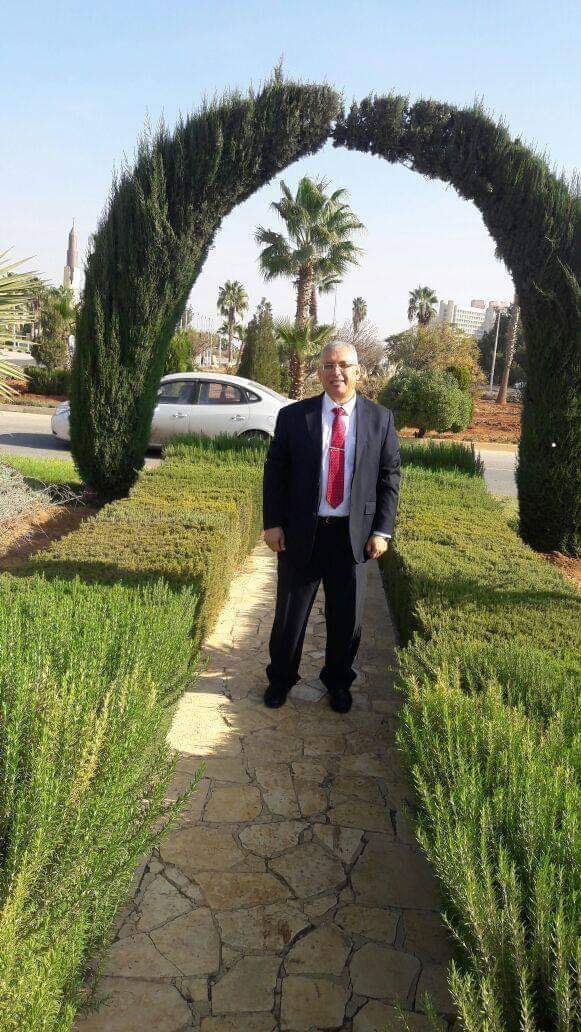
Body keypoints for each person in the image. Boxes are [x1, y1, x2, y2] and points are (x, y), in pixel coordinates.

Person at [262, 342, 401, 713]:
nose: (335, 372)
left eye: (343, 365)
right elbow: (275, 471)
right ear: (319, 372)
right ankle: (280, 679)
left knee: (346, 619)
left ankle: (338, 682)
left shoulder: (380, 419)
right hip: (301, 534)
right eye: (327, 365)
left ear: (358, 371)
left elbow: (389, 477)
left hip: (352, 538)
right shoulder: (294, 416)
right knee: (289, 617)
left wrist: (382, 530)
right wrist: (272, 523)